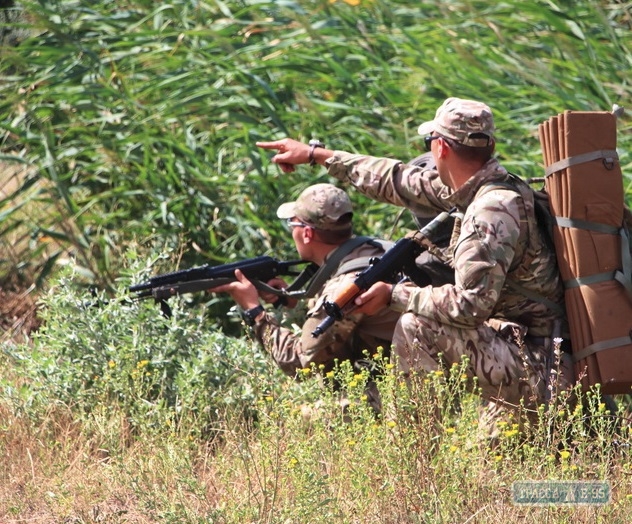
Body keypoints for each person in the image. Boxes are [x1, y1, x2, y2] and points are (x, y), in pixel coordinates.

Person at [256, 97, 573, 416]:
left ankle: (414, 451)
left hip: (541, 363)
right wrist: (316, 155)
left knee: (416, 327)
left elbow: (469, 306)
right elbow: (396, 180)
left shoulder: (488, 212)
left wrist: (394, 294)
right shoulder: (490, 186)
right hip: (530, 350)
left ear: (441, 148)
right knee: (493, 454)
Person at [209, 183, 401, 414]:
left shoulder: (344, 289)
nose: (292, 231)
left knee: (297, 418)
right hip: (409, 370)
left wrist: (254, 311)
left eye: (292, 224)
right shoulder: (370, 252)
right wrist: (286, 301)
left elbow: (300, 363)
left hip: (398, 392)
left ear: (307, 233)